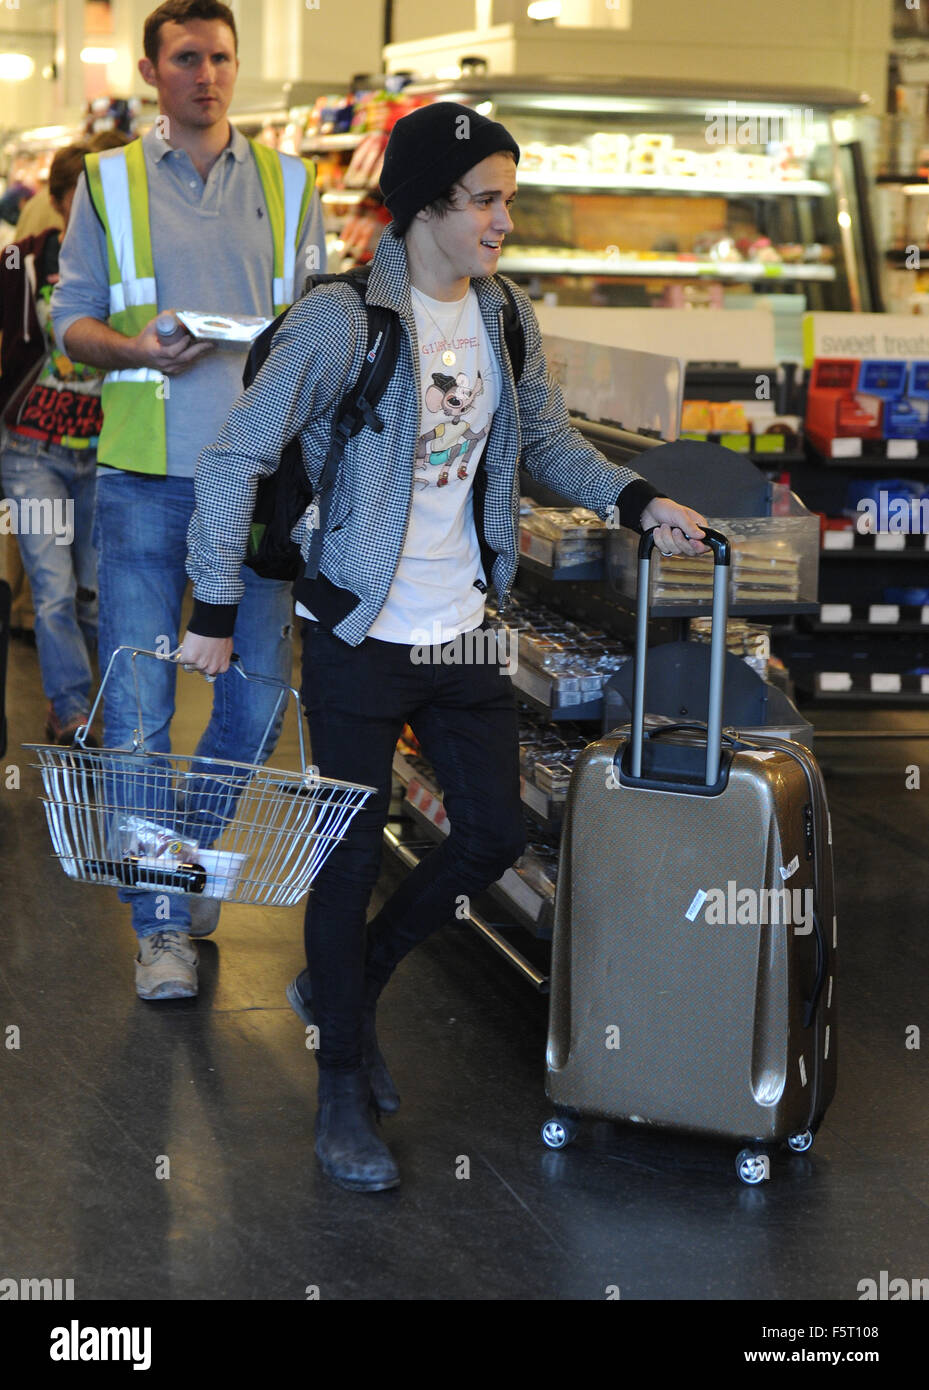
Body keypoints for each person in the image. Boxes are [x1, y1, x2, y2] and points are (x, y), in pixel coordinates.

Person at [179, 101, 708, 1193]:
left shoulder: (506, 316)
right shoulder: (342, 321)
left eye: (508, 199)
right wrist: (215, 610)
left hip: (466, 623)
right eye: (487, 200)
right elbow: (236, 456)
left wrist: (638, 497)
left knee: (489, 834)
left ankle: (347, 989)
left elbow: (548, 441)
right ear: (425, 207)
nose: (503, 221)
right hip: (357, 630)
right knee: (350, 852)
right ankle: (338, 1090)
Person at [50, 0, 325, 1001]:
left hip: (256, 489)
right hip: (142, 478)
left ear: (235, 66)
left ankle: (179, 858)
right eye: (185, 59)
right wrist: (134, 349)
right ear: (149, 71)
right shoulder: (110, 184)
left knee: (252, 701)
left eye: (219, 57)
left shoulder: (292, 184)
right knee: (135, 708)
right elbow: (69, 320)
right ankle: (162, 920)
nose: (205, 74)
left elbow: (320, 328)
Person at [0, 142, 109, 744]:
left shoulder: (128, 266)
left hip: (104, 452)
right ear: (61, 200)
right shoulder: (22, 262)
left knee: (93, 595)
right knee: (53, 589)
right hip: (31, 451)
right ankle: (72, 711)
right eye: (83, 197)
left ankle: (91, 705)